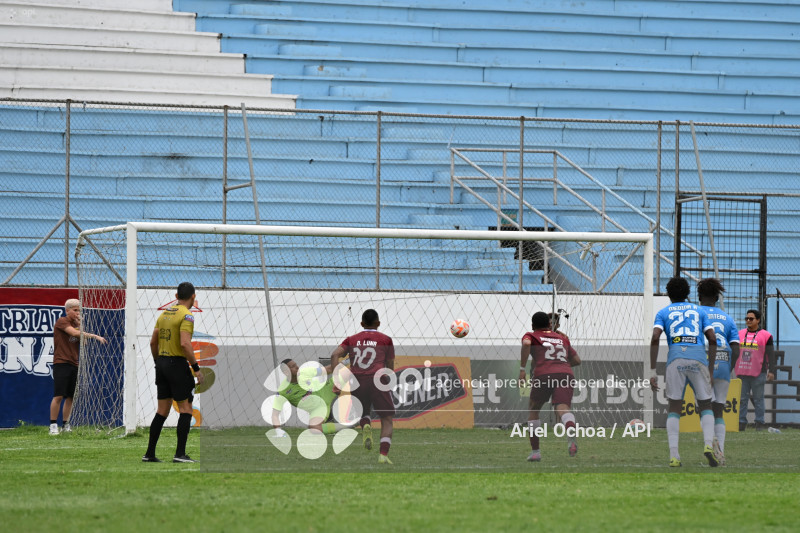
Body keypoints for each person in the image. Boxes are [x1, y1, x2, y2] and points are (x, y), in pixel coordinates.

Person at [650, 277, 718, 467]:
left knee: (674, 408)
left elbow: (655, 337)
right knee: (705, 406)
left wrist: (652, 370)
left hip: (675, 359)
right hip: (698, 359)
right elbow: (712, 339)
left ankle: (674, 456)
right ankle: (707, 446)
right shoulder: (700, 311)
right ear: (688, 294)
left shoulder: (663, 312)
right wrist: (710, 370)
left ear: (668, 294)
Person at [142, 282, 205, 463]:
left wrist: (158, 363)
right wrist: (196, 369)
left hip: (161, 363)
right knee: (185, 409)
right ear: (193, 297)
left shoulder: (164, 314)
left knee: (162, 410)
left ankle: (149, 454)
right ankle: (180, 454)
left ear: (176, 296)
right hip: (177, 364)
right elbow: (185, 344)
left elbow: (153, 343)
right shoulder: (187, 315)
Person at [330, 309, 395, 464]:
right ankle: (383, 455)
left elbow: (334, 355)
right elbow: (390, 366)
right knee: (386, 419)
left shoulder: (351, 339)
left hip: (357, 380)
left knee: (363, 412)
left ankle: (366, 426)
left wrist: (337, 381)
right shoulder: (386, 339)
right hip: (378, 379)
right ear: (378, 323)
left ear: (361, 323)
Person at [518, 311, 581, 462]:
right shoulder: (562, 338)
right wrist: (560, 365)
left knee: (534, 409)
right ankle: (570, 430)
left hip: (543, 374)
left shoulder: (531, 335)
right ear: (549, 324)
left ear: (533, 326)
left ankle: (536, 452)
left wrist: (522, 369)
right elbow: (577, 360)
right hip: (566, 373)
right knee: (562, 408)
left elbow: (526, 344)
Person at [697, 278, 740, 466]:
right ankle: (720, 451)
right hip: (724, 361)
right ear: (716, 297)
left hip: (702, 360)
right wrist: (728, 368)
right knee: (719, 411)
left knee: (704, 408)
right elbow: (736, 349)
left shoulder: (695, 314)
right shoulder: (727, 318)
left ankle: (710, 441)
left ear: (699, 297)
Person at [50, 299, 107, 435]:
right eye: (75, 310)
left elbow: (84, 342)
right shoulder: (62, 321)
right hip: (61, 362)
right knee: (58, 396)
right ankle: (53, 426)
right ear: (67, 310)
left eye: (79, 311)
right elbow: (75, 334)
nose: (77, 313)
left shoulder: (76, 325)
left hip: (74, 363)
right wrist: (95, 336)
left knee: (71, 396)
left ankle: (65, 425)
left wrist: (80, 325)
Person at [270, 358, 353, 435]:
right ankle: (347, 426)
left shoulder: (305, 372)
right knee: (314, 429)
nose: (297, 367)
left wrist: (348, 360)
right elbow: (275, 414)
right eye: (293, 366)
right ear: (286, 372)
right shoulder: (283, 391)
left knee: (350, 371)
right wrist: (278, 431)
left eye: (296, 364)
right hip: (319, 408)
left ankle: (361, 365)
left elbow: (329, 369)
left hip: (328, 389)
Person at [736, 309, 776, 432]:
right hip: (742, 371)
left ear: (758, 320)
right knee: (742, 399)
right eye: (746, 318)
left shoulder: (766, 335)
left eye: (751, 319)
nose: (748, 320)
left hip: (759, 372)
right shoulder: (740, 333)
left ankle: (759, 423)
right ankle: (741, 423)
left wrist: (772, 371)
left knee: (758, 399)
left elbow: (771, 354)